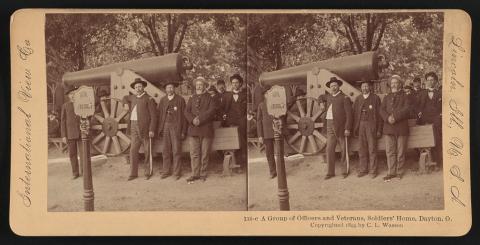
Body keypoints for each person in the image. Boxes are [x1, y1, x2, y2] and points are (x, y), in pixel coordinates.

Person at [318, 77, 353, 180]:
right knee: (329, 149)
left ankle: (344, 171)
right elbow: (320, 96)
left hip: (341, 128)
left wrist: (347, 128)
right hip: (329, 126)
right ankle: (330, 172)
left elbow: (349, 115)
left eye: (335, 86)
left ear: (339, 86)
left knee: (344, 150)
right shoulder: (328, 96)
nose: (333, 87)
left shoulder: (344, 98)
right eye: (331, 86)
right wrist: (320, 102)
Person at [122, 78, 157, 181]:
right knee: (133, 151)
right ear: (134, 88)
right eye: (136, 87)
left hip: (145, 128)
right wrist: (124, 103)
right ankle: (133, 173)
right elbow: (124, 97)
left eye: (140, 86)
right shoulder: (132, 97)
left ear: (143, 87)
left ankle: (148, 172)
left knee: (147, 151)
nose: (138, 88)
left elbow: (154, 116)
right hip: (133, 126)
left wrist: (151, 129)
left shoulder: (149, 99)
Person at [184, 77, 216, 182]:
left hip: (206, 129)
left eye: (201, 85)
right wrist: (193, 120)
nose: (199, 86)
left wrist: (200, 119)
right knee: (194, 153)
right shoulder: (191, 98)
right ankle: (195, 174)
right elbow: (186, 111)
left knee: (205, 153)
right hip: (193, 129)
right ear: (195, 86)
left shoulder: (210, 98)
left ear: (204, 86)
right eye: (197, 85)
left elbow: (211, 111)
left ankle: (203, 173)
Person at [380, 75, 411, 181]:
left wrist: (395, 117)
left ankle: (399, 172)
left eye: (396, 83)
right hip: (388, 128)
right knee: (390, 151)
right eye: (392, 83)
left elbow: (407, 109)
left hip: (401, 127)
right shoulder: (386, 97)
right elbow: (381, 110)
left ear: (400, 84)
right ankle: (391, 172)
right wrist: (387, 117)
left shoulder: (406, 96)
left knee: (401, 151)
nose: (393, 84)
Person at [157, 81, 187, 180]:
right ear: (165, 89)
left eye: (171, 88)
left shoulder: (180, 100)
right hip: (165, 126)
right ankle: (166, 171)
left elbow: (184, 117)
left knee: (176, 150)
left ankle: (177, 173)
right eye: (168, 88)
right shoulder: (163, 100)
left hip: (176, 127)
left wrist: (183, 131)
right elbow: (159, 115)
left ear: (174, 89)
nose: (169, 89)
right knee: (165, 150)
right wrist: (160, 129)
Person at [352, 80, 382, 178]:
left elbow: (379, 115)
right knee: (362, 149)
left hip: (371, 125)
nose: (364, 88)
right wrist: (355, 128)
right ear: (360, 88)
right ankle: (363, 170)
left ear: (369, 87)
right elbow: (354, 114)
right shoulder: (358, 99)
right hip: (360, 125)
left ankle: (373, 171)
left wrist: (379, 129)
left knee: (372, 148)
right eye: (363, 86)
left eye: (366, 86)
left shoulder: (375, 98)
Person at [417, 72, 442, 169]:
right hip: (425, 121)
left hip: (436, 121)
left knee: (437, 141)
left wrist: (441, 114)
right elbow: (415, 105)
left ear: (436, 81)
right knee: (426, 142)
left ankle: (437, 163)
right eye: (428, 80)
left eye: (432, 80)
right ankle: (427, 162)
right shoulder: (422, 93)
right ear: (426, 81)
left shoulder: (440, 93)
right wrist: (419, 112)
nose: (430, 82)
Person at [223, 73, 248, 171]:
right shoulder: (226, 96)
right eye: (233, 83)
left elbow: (248, 108)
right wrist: (224, 115)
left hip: (242, 122)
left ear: (240, 83)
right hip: (231, 123)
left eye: (237, 82)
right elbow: (221, 109)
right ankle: (235, 164)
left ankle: (243, 165)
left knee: (242, 142)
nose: (235, 84)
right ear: (231, 84)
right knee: (234, 143)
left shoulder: (244, 95)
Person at [256, 85, 278, 179]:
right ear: (265, 95)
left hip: (277, 132)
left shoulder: (277, 104)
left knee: (280, 152)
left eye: (270, 93)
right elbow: (259, 121)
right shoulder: (261, 105)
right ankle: (273, 172)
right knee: (269, 154)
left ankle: (281, 170)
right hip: (266, 134)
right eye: (267, 93)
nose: (269, 95)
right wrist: (260, 135)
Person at [60, 86, 81, 180]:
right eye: (71, 94)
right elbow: (63, 121)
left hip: (81, 133)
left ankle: (85, 170)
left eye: (74, 93)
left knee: (83, 153)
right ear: (68, 96)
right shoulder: (65, 106)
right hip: (70, 134)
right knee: (72, 154)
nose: (73, 95)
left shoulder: (81, 104)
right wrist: (64, 135)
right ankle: (75, 173)